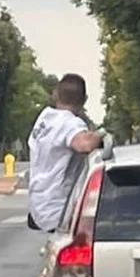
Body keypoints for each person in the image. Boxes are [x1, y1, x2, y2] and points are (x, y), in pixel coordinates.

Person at [27, 73, 105, 233]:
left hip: (38, 204)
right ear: (85, 100)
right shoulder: (69, 123)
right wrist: (102, 134)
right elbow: (85, 144)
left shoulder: (44, 119)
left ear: (55, 95)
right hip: (59, 209)